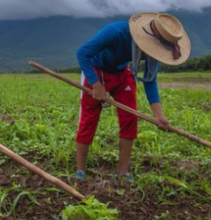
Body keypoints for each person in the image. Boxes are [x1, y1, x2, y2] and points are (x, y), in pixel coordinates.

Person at [75, 12, 191, 181]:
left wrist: (159, 115)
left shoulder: (156, 49)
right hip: (96, 70)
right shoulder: (115, 32)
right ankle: (80, 171)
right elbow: (82, 53)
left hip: (122, 72)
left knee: (130, 118)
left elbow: (150, 80)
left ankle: (123, 172)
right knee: (89, 118)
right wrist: (96, 85)